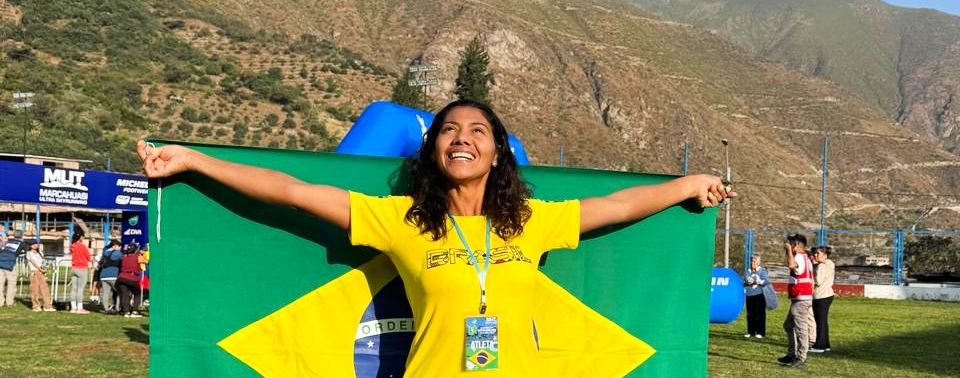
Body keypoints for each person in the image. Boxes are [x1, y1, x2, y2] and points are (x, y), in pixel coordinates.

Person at [137, 99, 734, 377]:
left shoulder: (529, 222)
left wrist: (688, 185)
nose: (462, 138)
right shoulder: (402, 220)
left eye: (478, 131)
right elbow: (291, 191)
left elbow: (619, 204)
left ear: (497, 153)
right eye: (449, 130)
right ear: (434, 149)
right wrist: (195, 159)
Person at [778, 233, 814, 369]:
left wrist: (788, 251)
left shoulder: (799, 256)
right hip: (800, 297)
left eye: (791, 244)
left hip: (801, 298)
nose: (790, 246)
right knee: (788, 325)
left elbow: (791, 264)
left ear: (797, 245)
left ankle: (801, 357)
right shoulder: (806, 258)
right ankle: (791, 354)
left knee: (800, 328)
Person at [810, 245, 835, 353]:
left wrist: (810, 280)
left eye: (818, 253)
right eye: (815, 253)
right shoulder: (830, 263)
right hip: (828, 294)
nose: (815, 255)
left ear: (824, 255)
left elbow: (818, 281)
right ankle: (825, 344)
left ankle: (819, 345)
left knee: (819, 322)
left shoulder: (820, 266)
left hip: (820, 296)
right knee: (823, 321)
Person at [25, 241, 55, 312]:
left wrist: (45, 268)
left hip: (41, 272)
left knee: (45, 289)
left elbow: (44, 260)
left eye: (36, 244)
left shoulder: (40, 252)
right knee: (35, 290)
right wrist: (39, 269)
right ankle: (36, 306)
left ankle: (47, 306)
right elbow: (33, 262)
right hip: (34, 272)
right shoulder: (29, 253)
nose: (35, 245)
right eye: (33, 244)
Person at [743, 255, 769, 338]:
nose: (752, 263)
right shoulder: (748, 271)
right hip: (749, 295)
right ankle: (751, 332)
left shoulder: (762, 271)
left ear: (758, 262)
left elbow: (765, 281)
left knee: (760, 314)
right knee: (750, 314)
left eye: (754, 261)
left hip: (759, 295)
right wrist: (747, 283)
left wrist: (756, 282)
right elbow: (745, 281)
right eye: (752, 261)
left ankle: (760, 332)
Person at [116, 242, 144, 318]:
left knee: (125, 295)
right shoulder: (138, 257)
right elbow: (145, 261)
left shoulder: (124, 257)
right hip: (133, 278)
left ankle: (126, 312)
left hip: (122, 277)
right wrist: (142, 254)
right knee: (137, 294)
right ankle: (134, 311)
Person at [96, 240, 123, 314]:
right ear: (115, 246)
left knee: (106, 293)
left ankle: (106, 309)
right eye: (119, 246)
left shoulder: (105, 252)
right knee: (120, 292)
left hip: (103, 275)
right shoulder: (118, 254)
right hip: (113, 275)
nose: (120, 248)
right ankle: (117, 308)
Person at [0, 230, 25, 307]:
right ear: (21, 236)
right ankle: (9, 302)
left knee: (0, 284)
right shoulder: (21, 243)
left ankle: (0, 302)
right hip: (10, 265)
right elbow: (25, 252)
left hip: (0, 263)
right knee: (11, 284)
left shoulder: (8, 241)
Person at [69, 231, 92, 314]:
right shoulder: (82, 246)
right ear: (81, 237)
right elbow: (88, 257)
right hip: (82, 268)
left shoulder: (73, 246)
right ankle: (80, 308)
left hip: (74, 267)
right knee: (80, 289)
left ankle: (73, 307)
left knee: (74, 289)